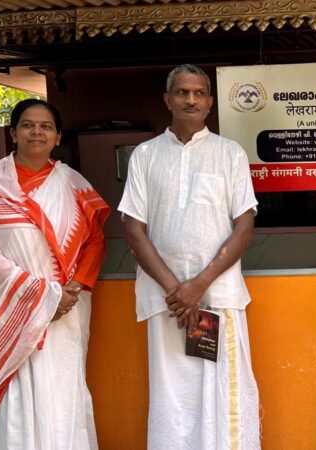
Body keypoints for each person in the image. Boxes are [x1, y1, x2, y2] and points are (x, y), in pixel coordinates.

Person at [118, 64, 259, 450]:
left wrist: (199, 285)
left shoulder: (229, 153)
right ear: (167, 100)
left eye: (198, 93)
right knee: (173, 398)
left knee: (223, 396)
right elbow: (133, 230)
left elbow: (244, 227)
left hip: (217, 299)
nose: (190, 99)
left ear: (210, 103)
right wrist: (178, 291)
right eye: (182, 92)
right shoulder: (145, 156)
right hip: (167, 303)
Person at [0, 99, 109, 449]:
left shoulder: (73, 183)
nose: (37, 132)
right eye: (28, 125)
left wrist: (72, 289)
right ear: (13, 133)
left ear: (57, 135)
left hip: (67, 309)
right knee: (16, 390)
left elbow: (94, 241)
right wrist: (41, 294)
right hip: (12, 308)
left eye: (46, 126)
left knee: (62, 387)